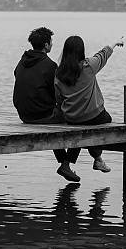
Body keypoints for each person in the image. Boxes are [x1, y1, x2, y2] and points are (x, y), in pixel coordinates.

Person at [13, 27, 82, 182]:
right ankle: (66, 163)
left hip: (24, 114)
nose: (52, 44)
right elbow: (58, 92)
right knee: (78, 119)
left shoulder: (22, 61)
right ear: (45, 45)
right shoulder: (50, 66)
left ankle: (64, 164)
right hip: (42, 115)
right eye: (51, 42)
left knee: (52, 116)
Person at [54, 35, 124, 178]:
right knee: (103, 121)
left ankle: (67, 164)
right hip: (94, 116)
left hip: (72, 118)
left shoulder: (58, 74)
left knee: (82, 130)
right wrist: (115, 42)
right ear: (82, 51)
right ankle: (97, 158)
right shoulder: (89, 66)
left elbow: (59, 99)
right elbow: (104, 53)